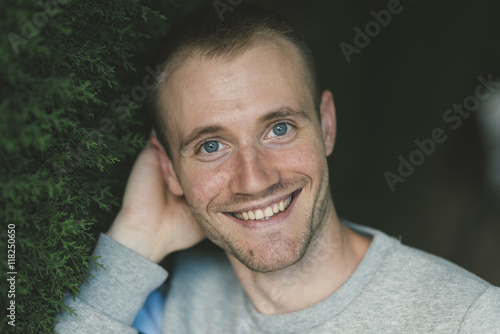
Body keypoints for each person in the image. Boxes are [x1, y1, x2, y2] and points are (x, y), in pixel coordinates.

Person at [55, 4, 500, 334]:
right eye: (211, 145)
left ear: (326, 126)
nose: (254, 178)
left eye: (279, 128)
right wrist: (134, 237)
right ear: (169, 169)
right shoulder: (174, 304)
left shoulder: (468, 318)